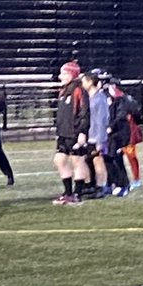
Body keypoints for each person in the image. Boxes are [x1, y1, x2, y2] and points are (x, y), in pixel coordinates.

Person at [53, 60, 91, 205]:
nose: (60, 76)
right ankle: (67, 193)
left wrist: (82, 132)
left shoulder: (79, 90)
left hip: (75, 132)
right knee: (59, 160)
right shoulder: (63, 90)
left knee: (77, 161)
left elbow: (84, 113)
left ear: (72, 74)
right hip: (64, 133)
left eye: (64, 73)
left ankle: (77, 193)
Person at [82, 71, 110, 198]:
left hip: (97, 135)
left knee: (98, 161)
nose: (82, 84)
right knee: (87, 160)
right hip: (88, 135)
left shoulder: (100, 98)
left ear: (90, 82)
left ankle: (101, 187)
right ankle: (90, 185)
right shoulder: (87, 97)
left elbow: (102, 119)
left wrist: (100, 139)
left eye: (84, 81)